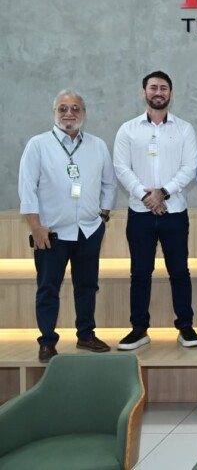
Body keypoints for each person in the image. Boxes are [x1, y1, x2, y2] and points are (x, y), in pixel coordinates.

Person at [18, 89, 116, 362]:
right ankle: (47, 342)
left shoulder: (97, 145)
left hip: (89, 230)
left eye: (75, 108)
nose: (69, 113)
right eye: (63, 108)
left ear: (83, 113)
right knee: (48, 288)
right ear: (54, 113)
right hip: (51, 233)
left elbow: (109, 183)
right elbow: (27, 188)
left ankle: (86, 335)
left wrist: (103, 215)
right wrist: (35, 226)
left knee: (87, 286)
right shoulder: (38, 145)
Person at [113, 70, 197, 350]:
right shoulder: (128, 129)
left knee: (179, 271)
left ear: (170, 93)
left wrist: (162, 193)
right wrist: (145, 195)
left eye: (163, 88)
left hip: (174, 212)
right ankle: (139, 329)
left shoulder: (184, 129)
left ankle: (185, 327)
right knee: (140, 273)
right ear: (144, 92)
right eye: (153, 87)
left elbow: (189, 168)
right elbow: (121, 168)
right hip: (139, 213)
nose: (158, 92)